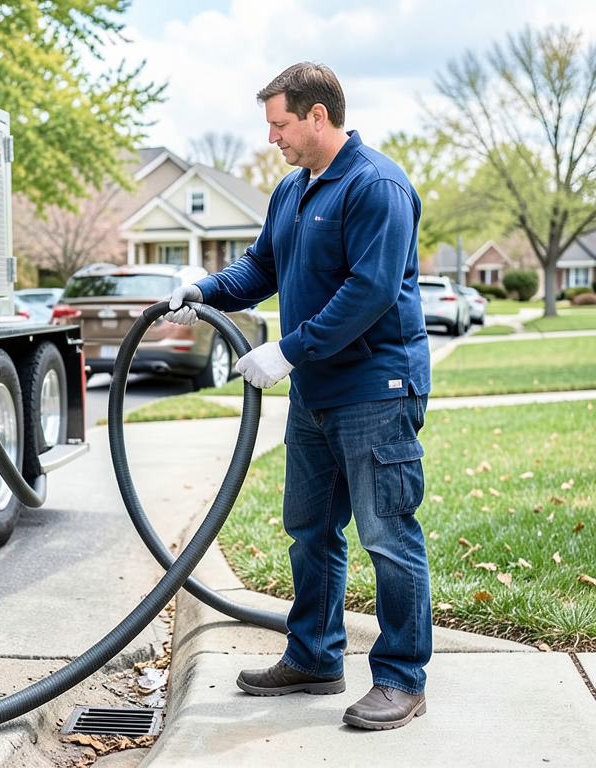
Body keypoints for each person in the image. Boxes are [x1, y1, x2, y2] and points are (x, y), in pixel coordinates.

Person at [165, 62, 432, 731]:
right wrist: (205, 290)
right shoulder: (291, 190)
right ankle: (314, 657)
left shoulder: (376, 185)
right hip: (316, 395)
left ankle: (401, 679)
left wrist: (287, 350)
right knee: (310, 531)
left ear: (318, 115)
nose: (272, 138)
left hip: (376, 388)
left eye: (280, 124)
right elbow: (263, 266)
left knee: (387, 534)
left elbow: (370, 291)